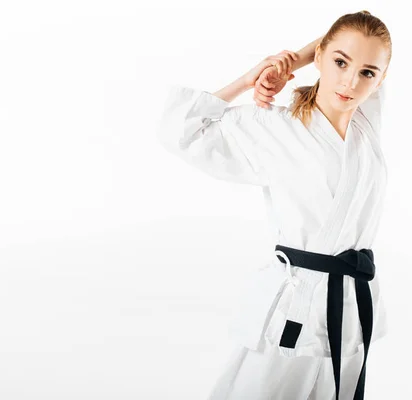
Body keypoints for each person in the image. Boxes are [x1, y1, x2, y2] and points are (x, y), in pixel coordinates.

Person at [157, 10, 392, 400]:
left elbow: (363, 19)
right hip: (294, 308)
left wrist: (306, 60)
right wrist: (262, 73)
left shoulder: (367, 121)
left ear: (381, 79)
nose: (351, 81)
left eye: (368, 72)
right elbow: (181, 128)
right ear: (320, 57)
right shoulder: (274, 128)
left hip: (350, 308)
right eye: (339, 62)